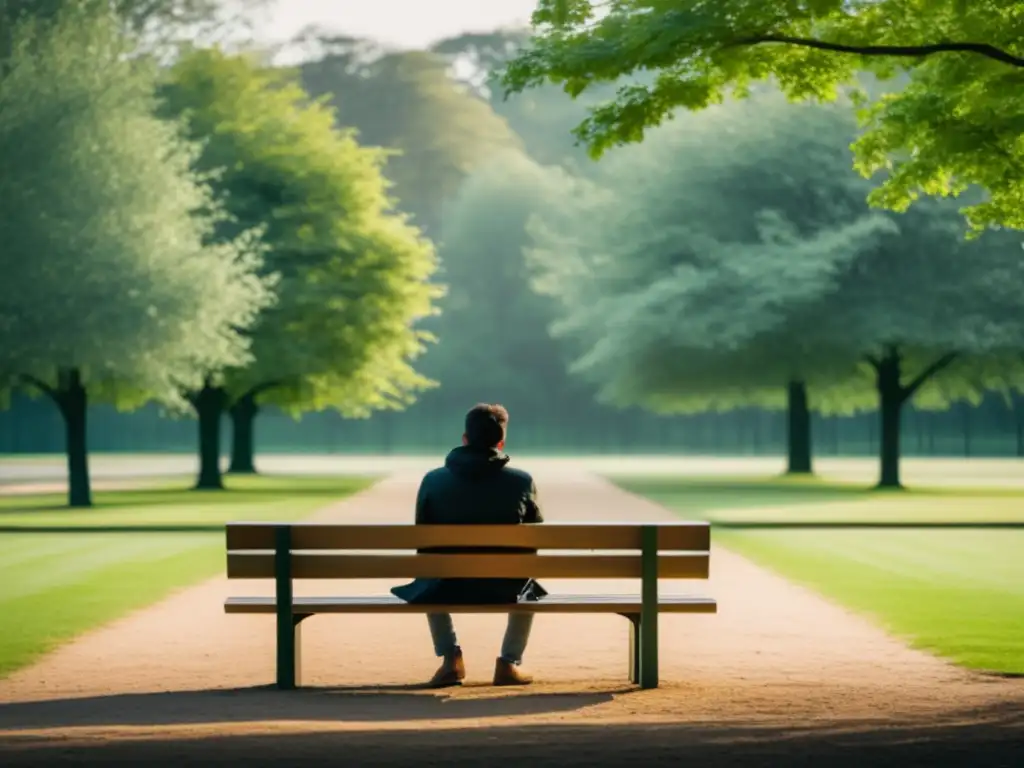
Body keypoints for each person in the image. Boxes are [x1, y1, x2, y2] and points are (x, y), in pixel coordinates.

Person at [391, 403, 546, 688]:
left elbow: (422, 543)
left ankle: (451, 659)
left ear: (465, 439)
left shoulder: (433, 480)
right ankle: (509, 663)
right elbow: (533, 544)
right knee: (530, 587)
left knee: (429, 570)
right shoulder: (522, 481)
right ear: (500, 442)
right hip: (505, 586)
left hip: (446, 585)